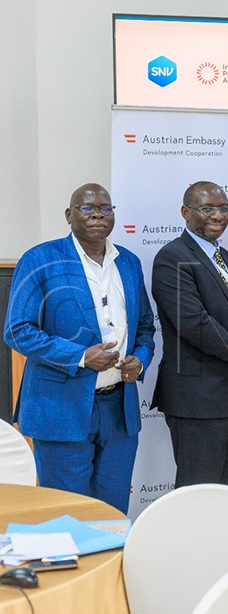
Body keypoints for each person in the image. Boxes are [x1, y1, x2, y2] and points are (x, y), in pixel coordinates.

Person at [4, 183, 155, 514]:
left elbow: (145, 326)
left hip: (119, 409)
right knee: (68, 512)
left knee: (112, 513)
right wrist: (81, 356)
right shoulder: (40, 259)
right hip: (61, 408)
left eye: (105, 208)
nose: (98, 214)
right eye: (88, 208)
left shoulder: (128, 262)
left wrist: (140, 360)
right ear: (69, 215)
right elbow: (17, 330)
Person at [151, 181, 228, 489]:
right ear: (186, 212)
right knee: (198, 494)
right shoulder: (172, 257)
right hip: (199, 400)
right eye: (207, 209)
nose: (218, 216)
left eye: (223, 209)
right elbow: (195, 324)